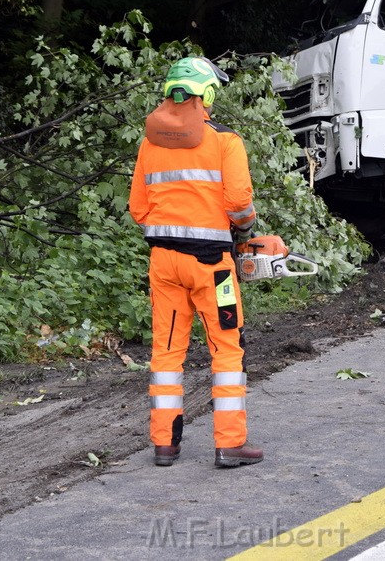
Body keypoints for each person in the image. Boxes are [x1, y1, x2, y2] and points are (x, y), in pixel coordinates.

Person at [128, 56, 264, 469]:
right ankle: (229, 444)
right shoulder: (225, 141)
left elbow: (138, 210)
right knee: (226, 349)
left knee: (167, 353)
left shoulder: (149, 143)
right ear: (204, 95)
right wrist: (245, 228)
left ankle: (164, 445)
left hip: (164, 265)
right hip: (213, 268)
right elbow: (240, 205)